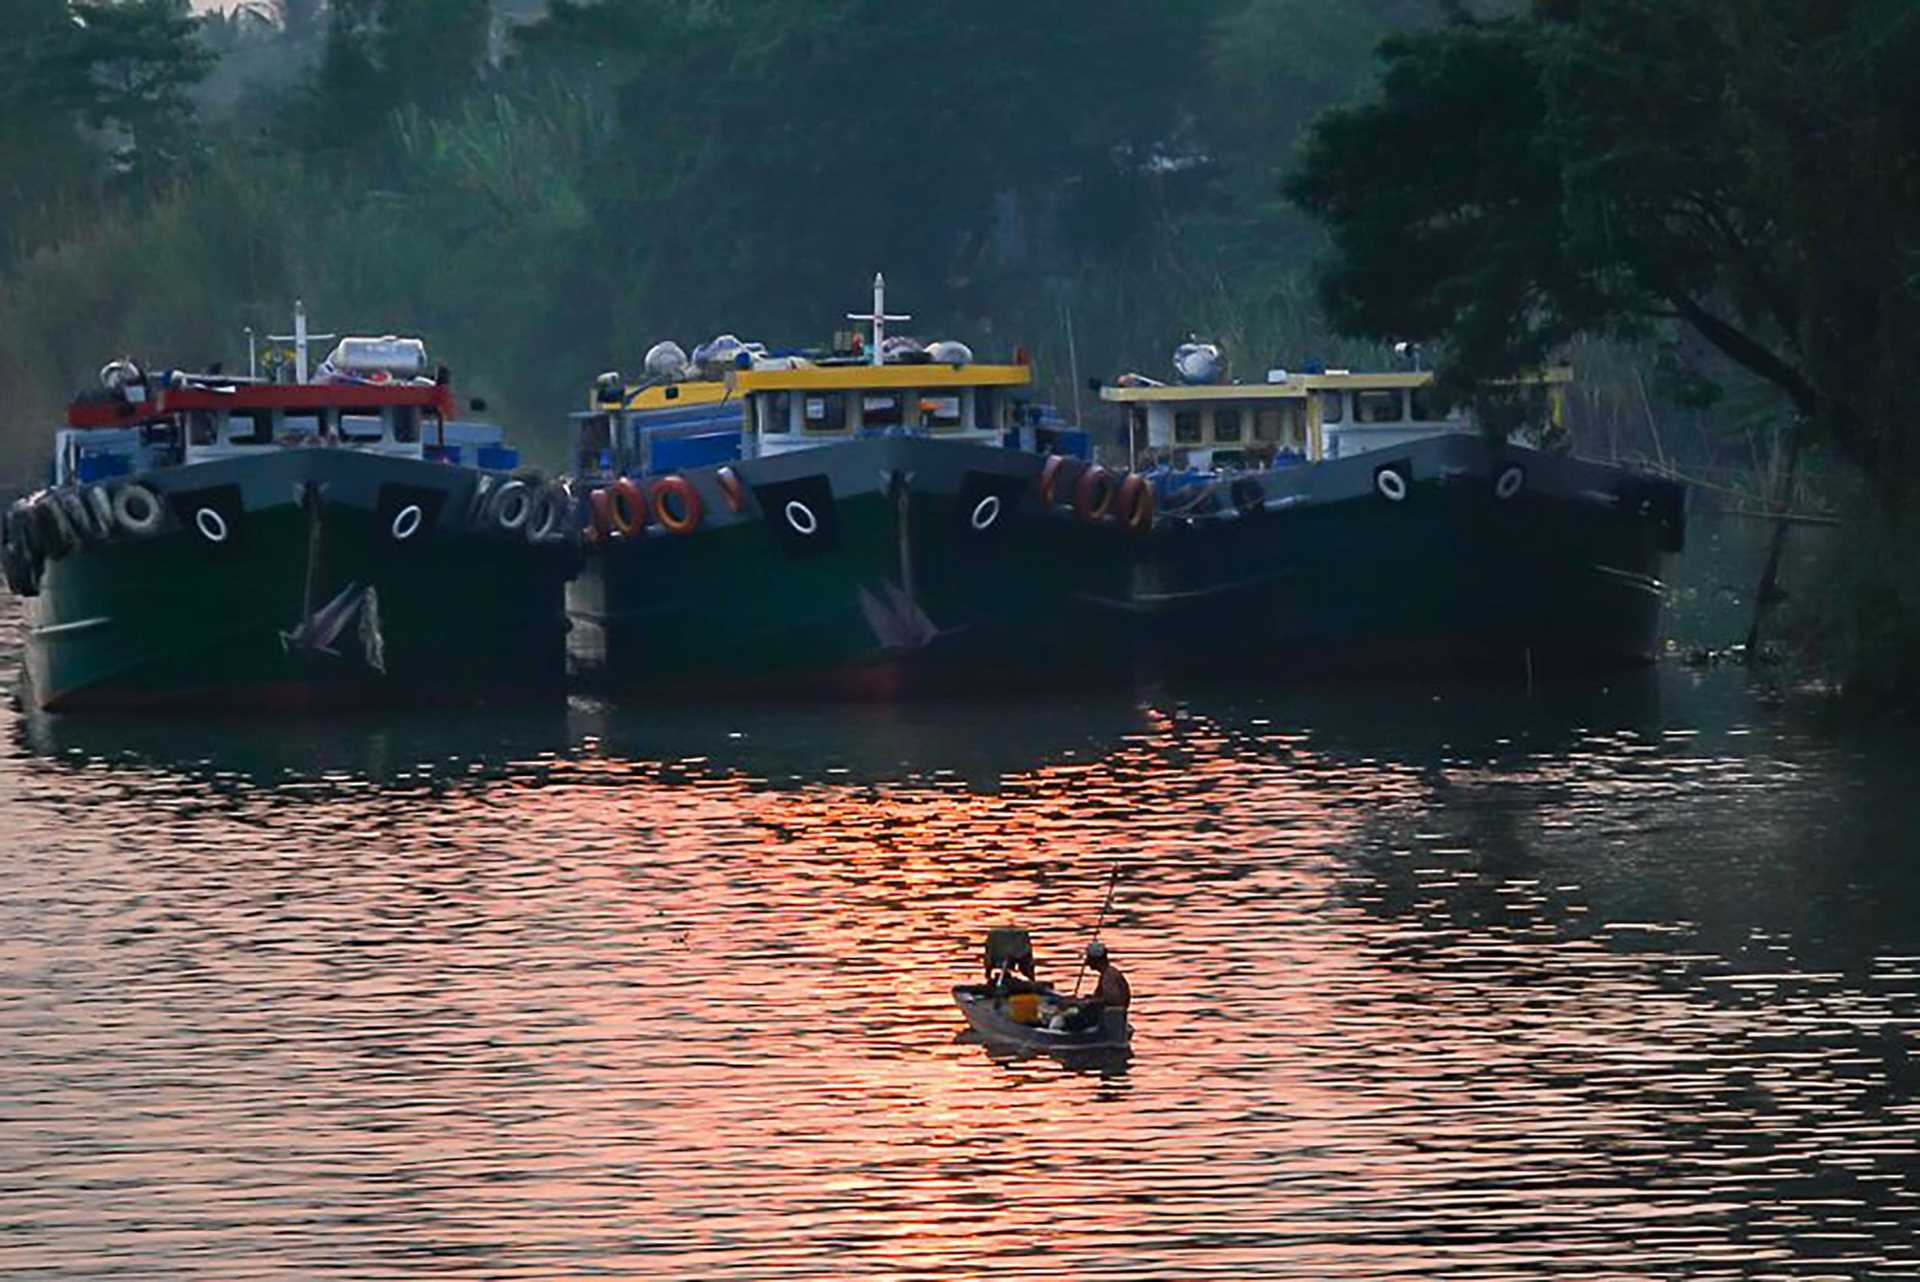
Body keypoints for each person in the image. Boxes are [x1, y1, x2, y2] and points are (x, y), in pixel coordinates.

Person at [1055, 940, 1129, 1032]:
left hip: (1105, 1020)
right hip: (1111, 1019)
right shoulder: (1110, 973)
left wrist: (1085, 1003)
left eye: (1088, 958)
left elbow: (1111, 999)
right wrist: (1085, 1000)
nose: (1087, 962)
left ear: (1095, 959)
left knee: (1063, 1021)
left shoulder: (1109, 976)